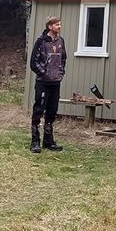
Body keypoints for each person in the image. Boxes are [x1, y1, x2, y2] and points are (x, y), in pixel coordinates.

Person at [28, 16, 66, 154]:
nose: (59, 26)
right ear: (50, 26)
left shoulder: (61, 41)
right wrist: (44, 73)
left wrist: (60, 74)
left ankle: (49, 141)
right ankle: (35, 141)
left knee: (52, 111)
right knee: (38, 110)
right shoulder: (41, 41)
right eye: (57, 24)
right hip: (42, 83)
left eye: (60, 24)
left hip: (56, 83)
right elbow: (33, 62)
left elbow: (63, 59)